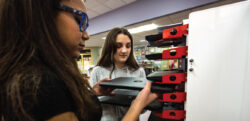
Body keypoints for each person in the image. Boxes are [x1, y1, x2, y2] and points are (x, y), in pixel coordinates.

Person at [0, 0, 158, 121]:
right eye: (78, 19)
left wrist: (92, 95)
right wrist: (136, 107)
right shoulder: (40, 86)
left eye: (128, 46)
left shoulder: (44, 78)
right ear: (43, 16)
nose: (87, 35)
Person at [90, 27, 150, 121]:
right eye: (118, 46)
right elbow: (91, 106)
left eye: (128, 46)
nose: (124, 51)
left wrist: (135, 104)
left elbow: (144, 107)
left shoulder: (138, 71)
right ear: (110, 47)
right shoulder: (97, 71)